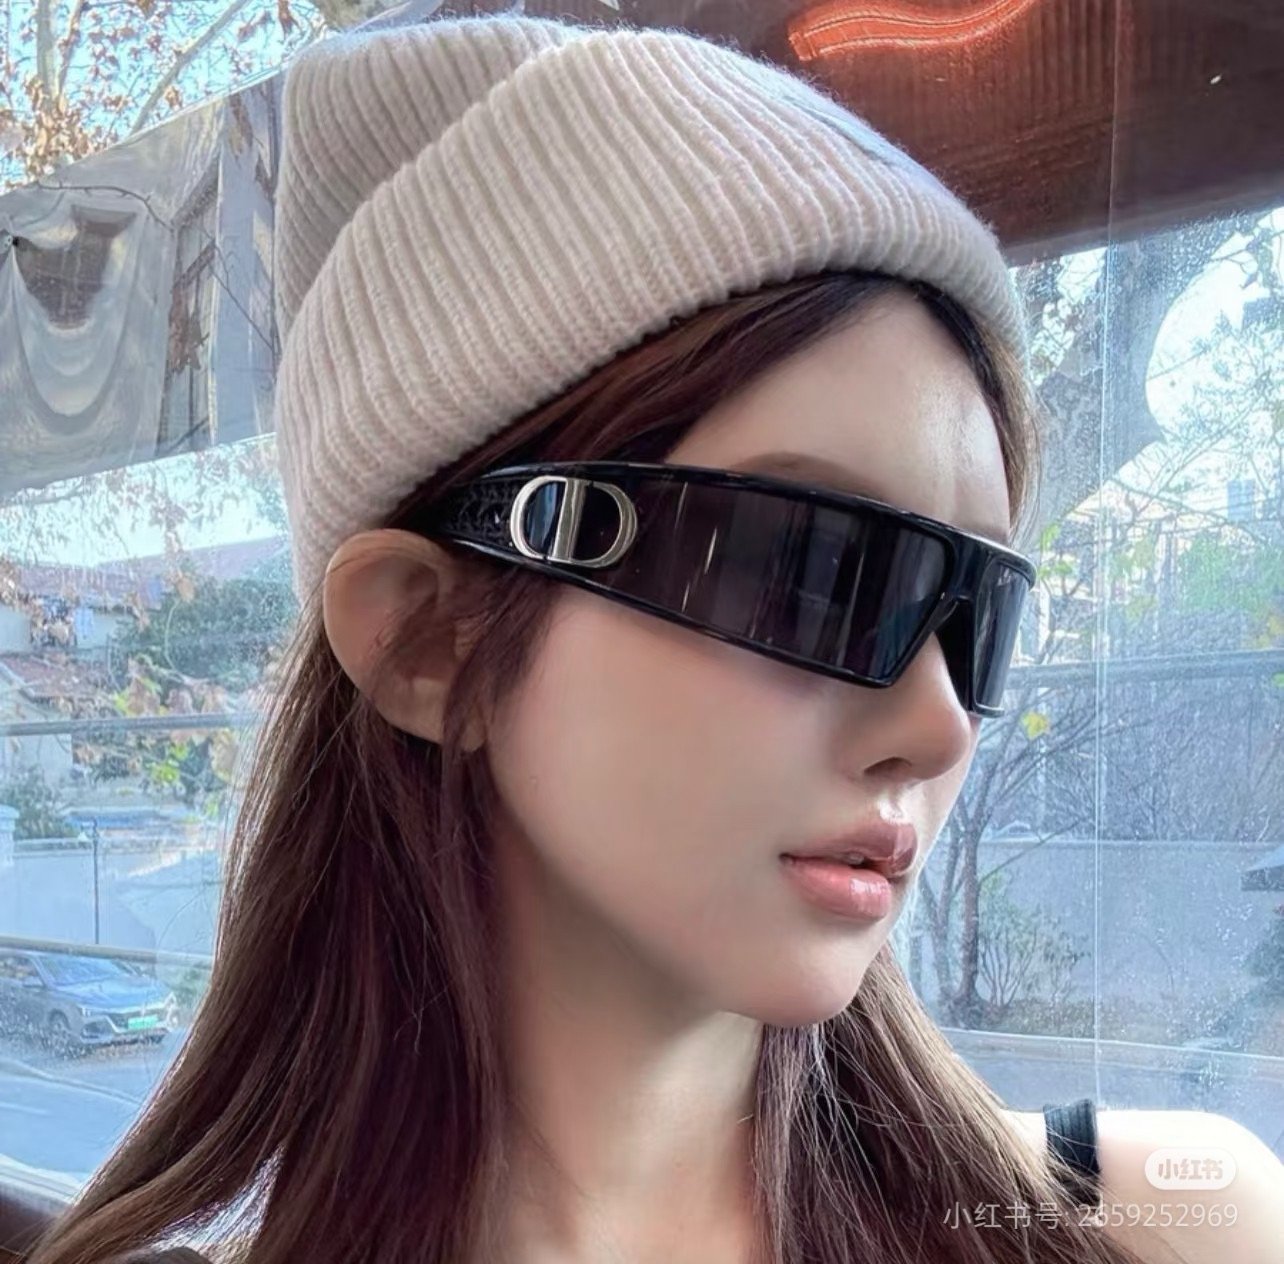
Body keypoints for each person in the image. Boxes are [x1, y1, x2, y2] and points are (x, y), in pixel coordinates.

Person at [25, 12, 1283, 1264]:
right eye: (810, 572)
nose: (939, 722)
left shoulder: (1174, 1226)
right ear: (427, 637)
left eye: (979, 614)